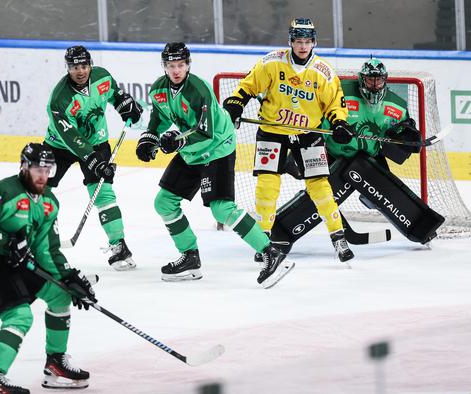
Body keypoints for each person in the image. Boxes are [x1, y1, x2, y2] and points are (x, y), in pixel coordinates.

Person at [136, 42, 292, 288]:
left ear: (188, 65)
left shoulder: (198, 89)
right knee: (164, 202)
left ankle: (271, 252)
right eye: (171, 65)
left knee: (222, 209)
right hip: (190, 151)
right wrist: (149, 138)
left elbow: (205, 131)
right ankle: (190, 257)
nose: (176, 70)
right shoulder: (159, 89)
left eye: (180, 65)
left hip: (217, 147)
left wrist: (176, 142)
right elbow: (159, 118)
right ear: (164, 66)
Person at [269, 57, 445, 249]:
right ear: (362, 79)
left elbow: (400, 134)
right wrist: (301, 152)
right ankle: (280, 231)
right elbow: (312, 118)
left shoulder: (397, 105)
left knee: (385, 189)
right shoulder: (340, 92)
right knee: (322, 194)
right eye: (371, 80)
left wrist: (407, 140)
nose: (375, 85)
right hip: (332, 153)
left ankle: (422, 227)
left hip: (368, 156)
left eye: (379, 80)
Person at [0, 143, 97, 393]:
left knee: (60, 294)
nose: (43, 176)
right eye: (38, 169)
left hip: (19, 259)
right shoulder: (5, 191)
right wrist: (6, 243)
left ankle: (55, 364)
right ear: (24, 166)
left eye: (48, 170)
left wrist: (69, 277)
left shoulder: (49, 202)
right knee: (19, 315)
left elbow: (48, 249)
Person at [222, 18, 355, 265]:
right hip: (272, 131)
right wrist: (235, 104)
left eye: (307, 41)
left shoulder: (323, 72)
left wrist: (339, 123)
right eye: (298, 41)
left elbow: (335, 105)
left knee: (319, 186)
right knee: (267, 185)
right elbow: (248, 86)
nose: (303, 46)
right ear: (290, 41)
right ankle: (262, 241)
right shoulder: (272, 62)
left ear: (314, 42)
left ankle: (339, 238)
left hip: (308, 134)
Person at [43, 45, 142, 271]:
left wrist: (126, 107)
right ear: (68, 68)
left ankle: (119, 246)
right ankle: (38, 243)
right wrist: (91, 158)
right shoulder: (59, 99)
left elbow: (116, 96)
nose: (80, 71)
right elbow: (70, 135)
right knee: (39, 189)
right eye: (75, 67)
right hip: (60, 145)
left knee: (104, 192)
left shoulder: (102, 77)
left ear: (91, 65)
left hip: (97, 141)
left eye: (84, 66)